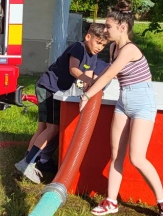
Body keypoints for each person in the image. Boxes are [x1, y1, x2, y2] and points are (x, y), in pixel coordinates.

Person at [80, 0, 163, 216]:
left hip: (142, 102)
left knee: (137, 158)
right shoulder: (114, 47)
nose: (105, 30)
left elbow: (109, 75)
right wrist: (88, 82)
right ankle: (111, 201)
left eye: (109, 26)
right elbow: (106, 72)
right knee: (116, 154)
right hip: (125, 100)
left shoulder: (130, 49)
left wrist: (87, 96)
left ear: (122, 27)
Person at [15, 23, 109, 183]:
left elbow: (87, 78)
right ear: (88, 37)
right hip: (49, 87)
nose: (100, 47)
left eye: (103, 45)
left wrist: (92, 88)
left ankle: (32, 161)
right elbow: (74, 69)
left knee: (44, 128)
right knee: (52, 128)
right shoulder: (78, 47)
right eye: (98, 42)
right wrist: (91, 81)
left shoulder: (93, 57)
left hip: (53, 90)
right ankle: (28, 162)